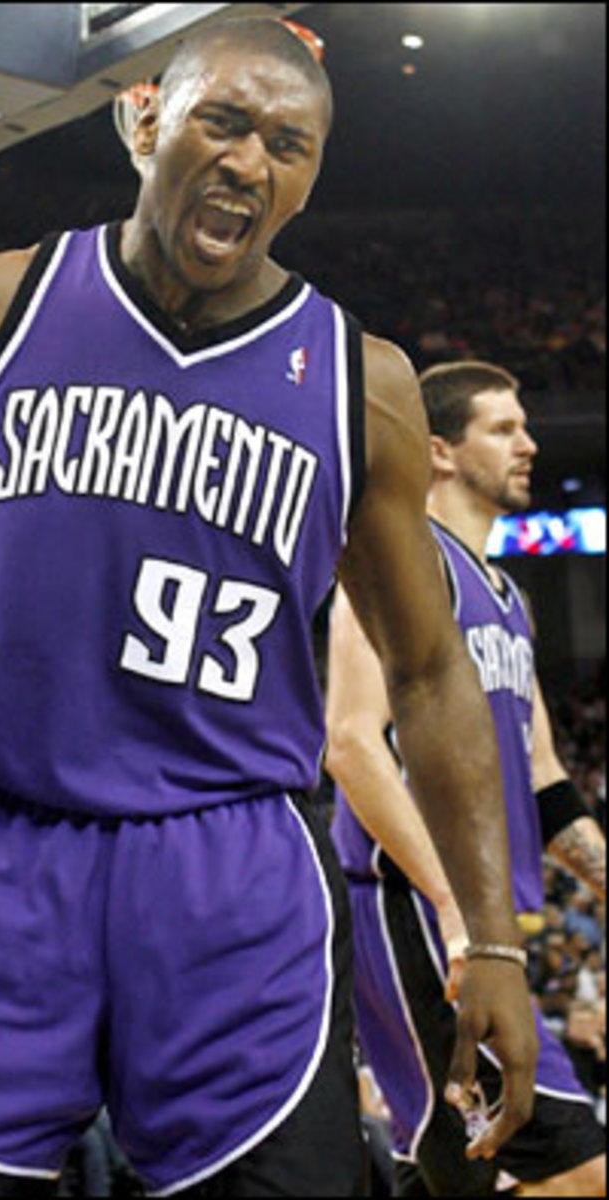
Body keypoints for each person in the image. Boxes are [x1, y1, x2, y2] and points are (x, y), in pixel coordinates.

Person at [0, 17, 538, 1197]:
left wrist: (492, 941)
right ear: (143, 119)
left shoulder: (358, 383)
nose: (248, 162)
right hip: (2, 845)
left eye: (287, 145)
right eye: (222, 122)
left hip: (234, 862)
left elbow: (426, 673)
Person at [326, 361, 606, 1196]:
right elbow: (352, 742)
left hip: (481, 926)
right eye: (503, 428)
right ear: (439, 451)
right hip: (414, 909)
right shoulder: (398, 561)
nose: (529, 443)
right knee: (578, 1173)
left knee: (459, 1176)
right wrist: (453, 907)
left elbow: (545, 778)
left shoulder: (511, 599)